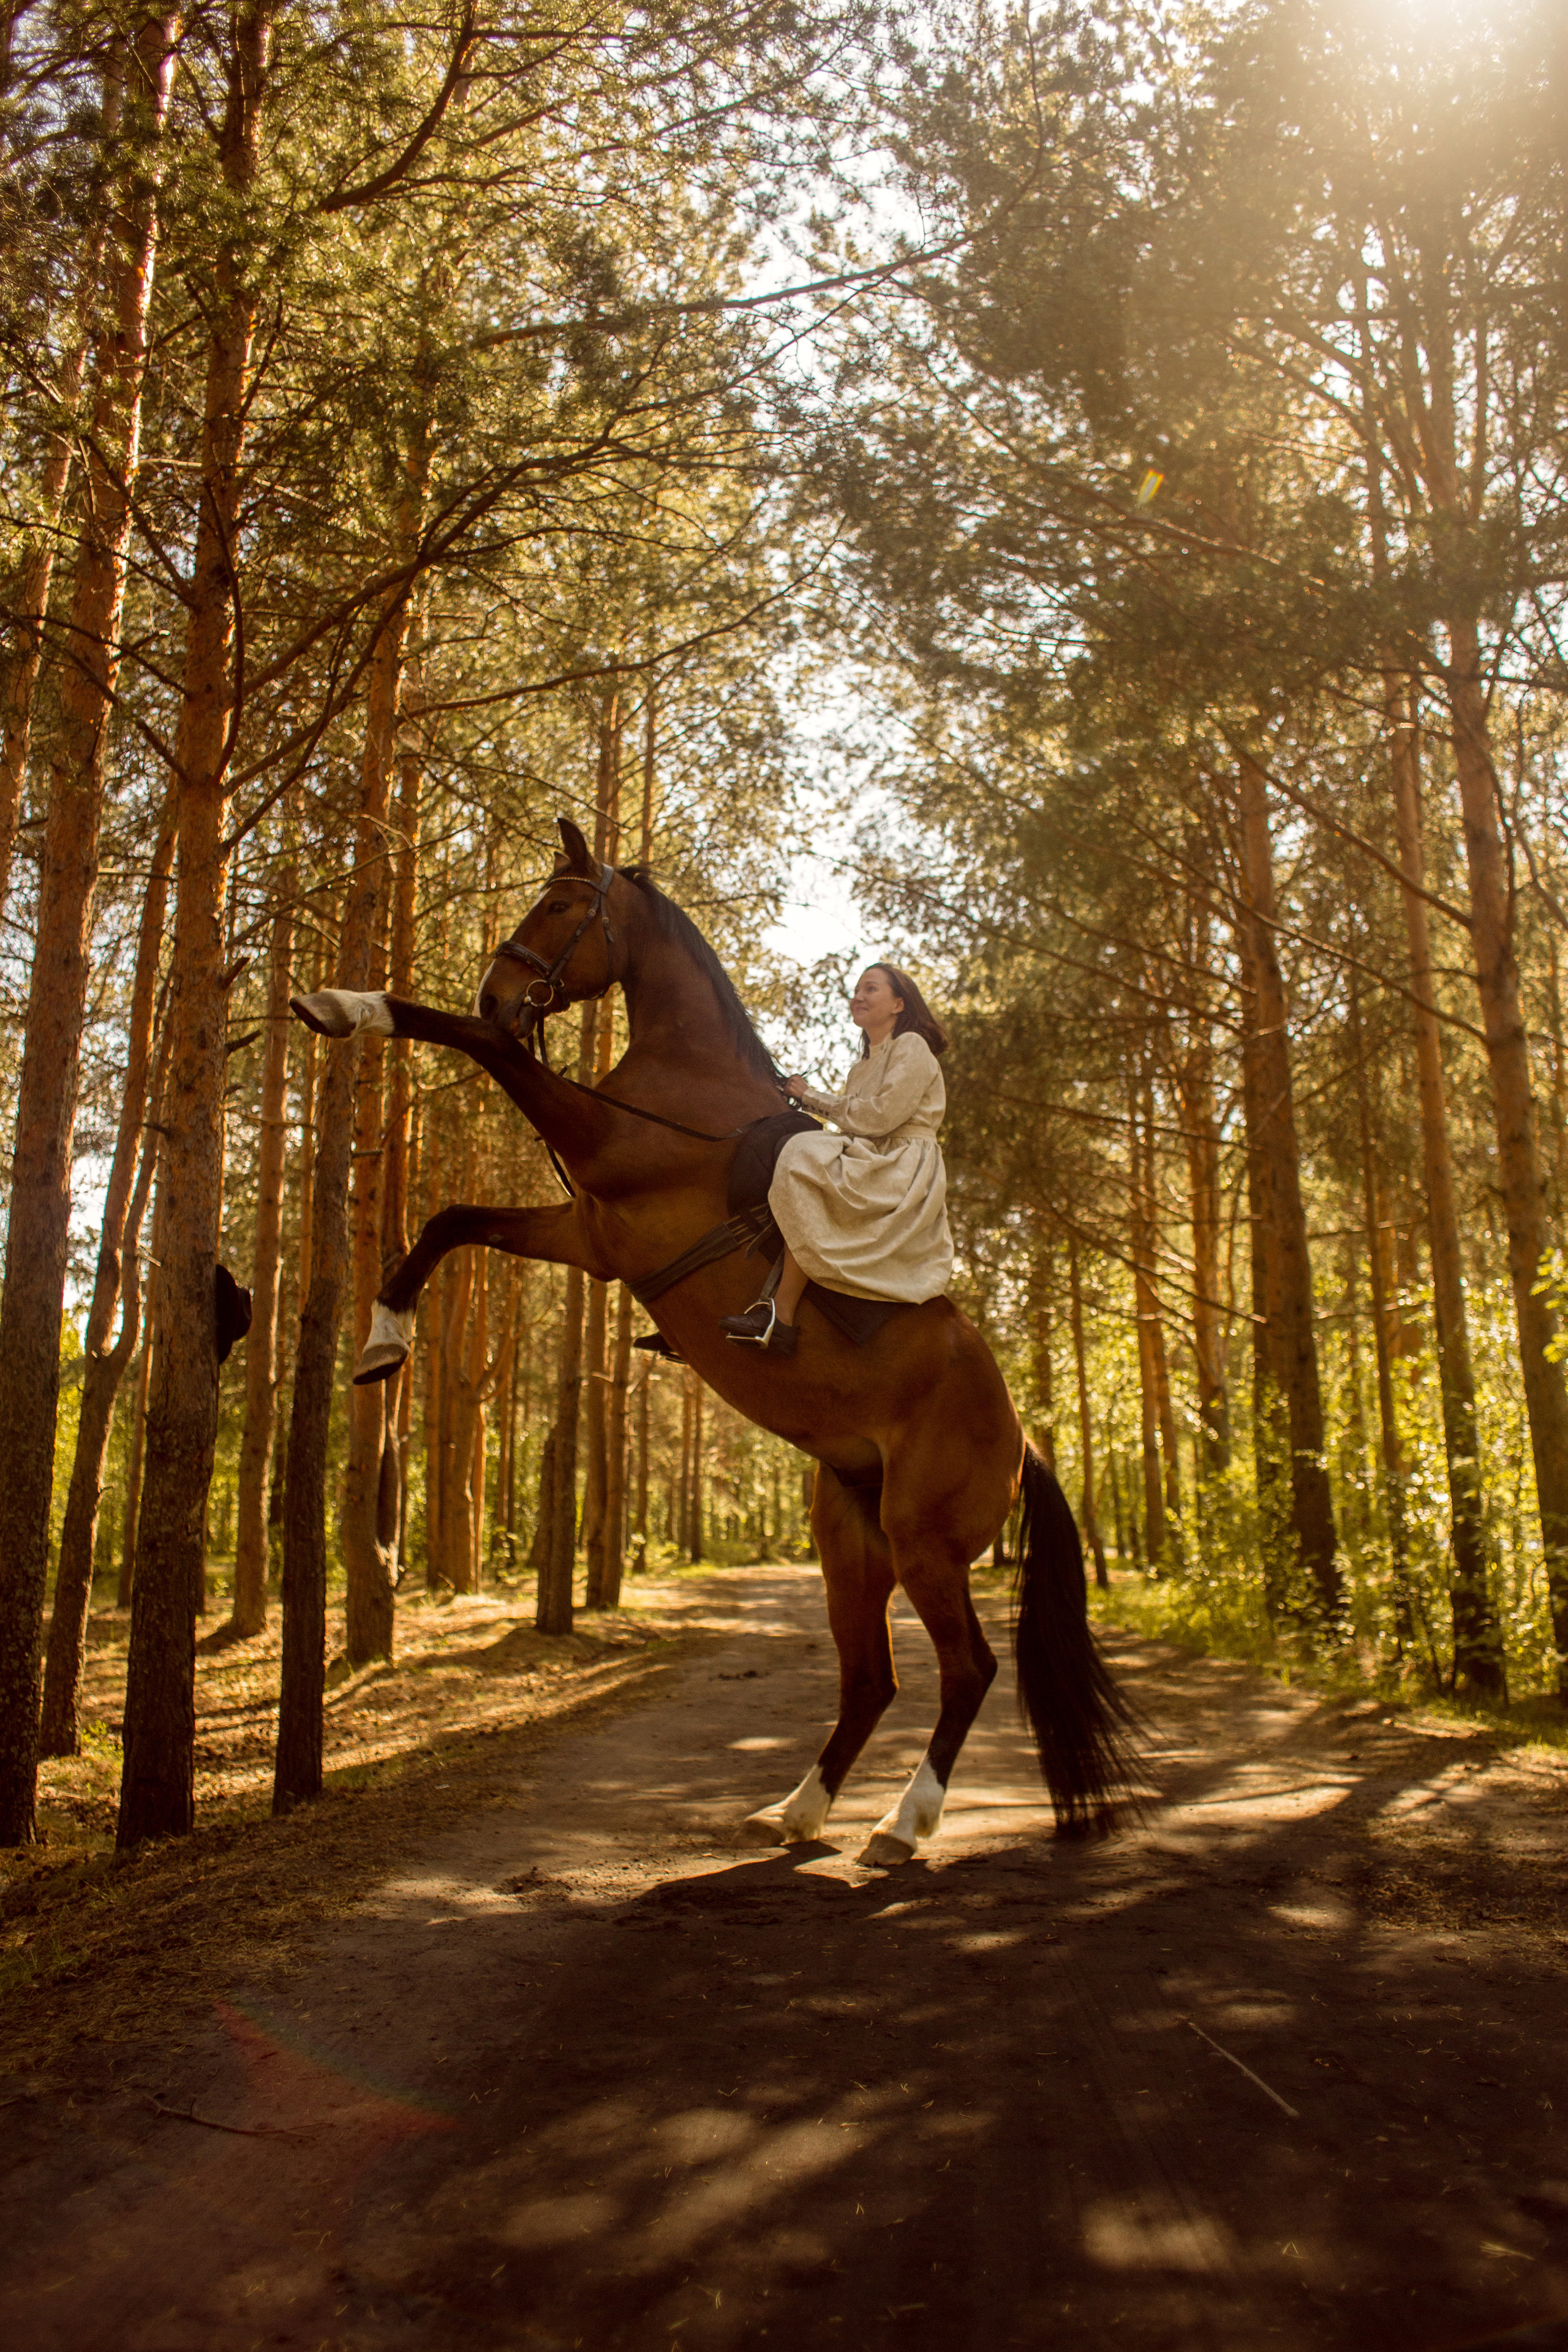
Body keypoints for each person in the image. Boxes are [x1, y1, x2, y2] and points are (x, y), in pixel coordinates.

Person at [721, 962, 954, 1355]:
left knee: (803, 1152)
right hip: (872, 1155)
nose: (859, 996)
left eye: (871, 988)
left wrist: (811, 1097)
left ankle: (781, 1313)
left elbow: (881, 1117)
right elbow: (858, 1125)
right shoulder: (860, 1068)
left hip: (902, 1165)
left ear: (899, 1003)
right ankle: (759, 1307)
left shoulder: (912, 1046)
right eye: (857, 989)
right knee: (801, 1157)